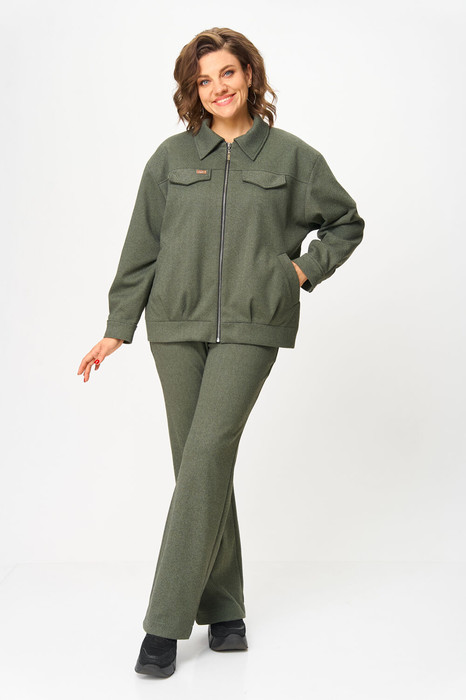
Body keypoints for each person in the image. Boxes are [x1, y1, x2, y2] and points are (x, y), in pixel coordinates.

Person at [77, 26, 365, 678]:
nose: (218, 88)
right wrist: (118, 326)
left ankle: (162, 625)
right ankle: (226, 609)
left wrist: (301, 271)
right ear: (193, 90)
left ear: (249, 75)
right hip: (174, 325)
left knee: (205, 455)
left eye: (227, 73)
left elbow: (346, 222)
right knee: (198, 467)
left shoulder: (292, 157)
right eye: (204, 80)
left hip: (253, 323)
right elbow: (142, 247)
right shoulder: (171, 158)